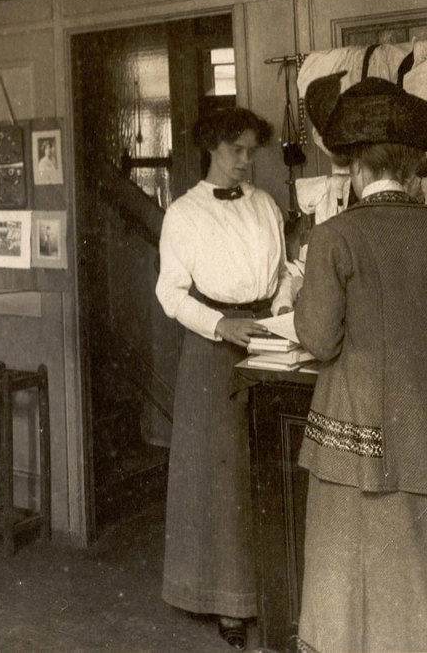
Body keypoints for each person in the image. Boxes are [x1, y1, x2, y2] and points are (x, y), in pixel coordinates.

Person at [293, 72, 427, 652]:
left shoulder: (335, 236)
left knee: (345, 577)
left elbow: (319, 340)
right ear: (412, 165)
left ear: (356, 166)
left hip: (354, 436)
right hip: (421, 427)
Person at [155, 107, 294, 650]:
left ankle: (274, 590)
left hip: (267, 343)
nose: (246, 160)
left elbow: (283, 273)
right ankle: (227, 602)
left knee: (267, 465)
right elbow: (170, 293)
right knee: (223, 478)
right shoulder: (184, 215)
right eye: (237, 149)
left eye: (251, 150)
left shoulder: (265, 205)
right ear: (212, 147)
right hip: (213, 351)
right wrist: (220, 325)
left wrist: (278, 313)